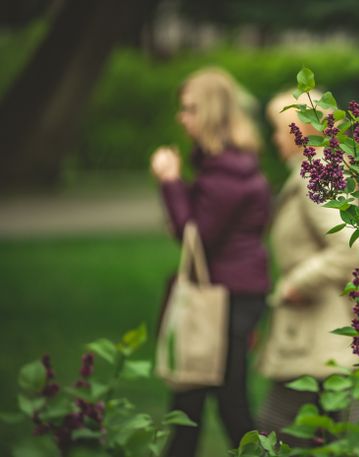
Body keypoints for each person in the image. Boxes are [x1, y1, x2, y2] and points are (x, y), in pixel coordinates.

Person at [256, 90, 359, 446]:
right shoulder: (327, 169)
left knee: (282, 431)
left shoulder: (318, 176)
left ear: (302, 130)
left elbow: (349, 248)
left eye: (279, 129)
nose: (274, 138)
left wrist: (296, 283)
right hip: (323, 331)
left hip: (322, 328)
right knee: (330, 432)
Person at [150, 67, 271, 457]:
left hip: (227, 298)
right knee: (193, 397)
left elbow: (195, 237)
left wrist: (170, 181)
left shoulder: (226, 171)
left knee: (226, 400)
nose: (180, 117)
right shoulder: (227, 165)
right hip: (228, 293)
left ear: (210, 112)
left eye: (188, 109)